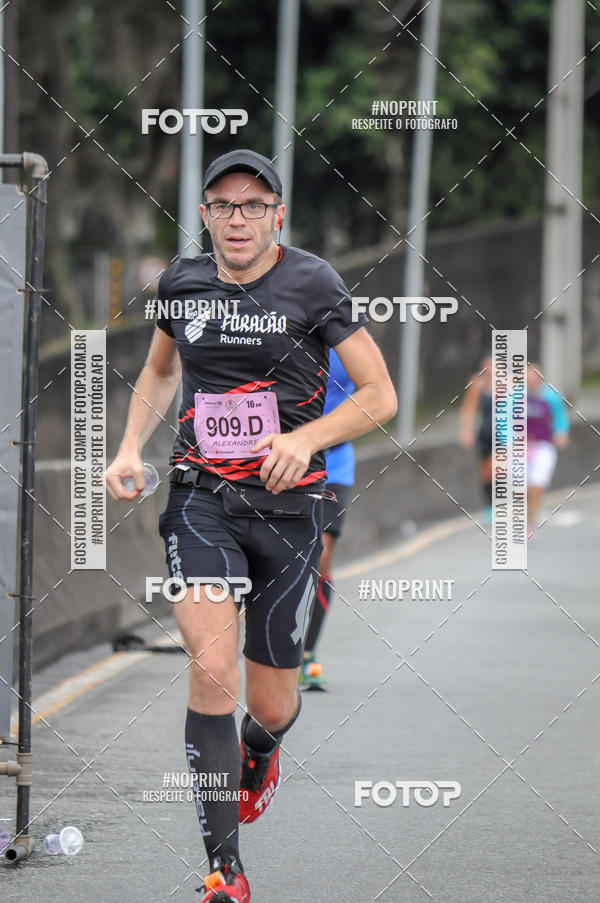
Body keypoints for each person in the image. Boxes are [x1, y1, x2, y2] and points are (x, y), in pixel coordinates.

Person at [104, 149, 397, 902]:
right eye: (224, 206)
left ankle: (259, 751)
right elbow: (163, 369)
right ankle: (223, 870)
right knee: (209, 669)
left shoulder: (313, 282)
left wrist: (305, 439)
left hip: (291, 506)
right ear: (205, 215)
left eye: (253, 205)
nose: (238, 219)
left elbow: (379, 393)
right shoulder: (182, 280)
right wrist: (131, 446)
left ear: (278, 214)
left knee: (270, 702)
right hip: (201, 496)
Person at [299, 348, 356, 691]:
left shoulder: (347, 340)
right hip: (278, 457)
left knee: (321, 555)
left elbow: (376, 390)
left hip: (333, 463)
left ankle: (307, 654)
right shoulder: (279, 327)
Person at [526, 363, 569, 537]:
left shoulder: (551, 396)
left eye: (534, 377)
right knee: (522, 488)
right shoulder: (515, 396)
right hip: (521, 447)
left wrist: (561, 433)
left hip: (544, 446)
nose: (531, 381)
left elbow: (560, 417)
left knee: (537, 485)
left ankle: (528, 524)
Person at [459, 355, 493, 522]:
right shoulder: (477, 384)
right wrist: (466, 431)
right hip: (486, 432)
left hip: (504, 434)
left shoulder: (510, 383)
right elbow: (469, 408)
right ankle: (490, 505)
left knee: (500, 468)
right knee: (487, 473)